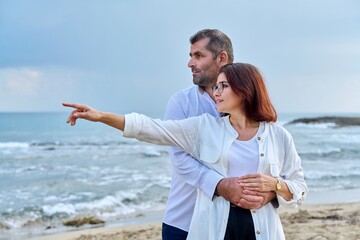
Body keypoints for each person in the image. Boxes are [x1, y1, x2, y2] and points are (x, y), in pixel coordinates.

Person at [63, 62, 308, 240]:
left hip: (262, 229)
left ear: (245, 90)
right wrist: (101, 116)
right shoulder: (204, 127)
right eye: (216, 86)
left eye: (223, 86)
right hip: (213, 227)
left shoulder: (278, 136)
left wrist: (274, 185)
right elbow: (152, 128)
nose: (216, 92)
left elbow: (299, 186)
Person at [161, 29, 276, 239]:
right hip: (183, 221)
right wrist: (221, 186)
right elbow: (180, 159)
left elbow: (275, 167)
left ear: (221, 58)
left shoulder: (252, 108)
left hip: (239, 225)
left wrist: (270, 193)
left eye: (198, 56)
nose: (190, 63)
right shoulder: (181, 103)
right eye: (190, 56)